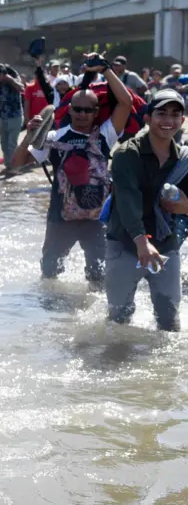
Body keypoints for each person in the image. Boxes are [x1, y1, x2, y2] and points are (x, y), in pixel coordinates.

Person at [25, 58, 131, 285]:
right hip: (60, 217)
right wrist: (30, 134)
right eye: (78, 109)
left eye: (88, 110)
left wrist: (106, 70)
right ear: (70, 110)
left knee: (98, 276)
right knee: (50, 274)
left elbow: (125, 102)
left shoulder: (105, 135)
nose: (82, 114)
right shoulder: (54, 137)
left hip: (96, 218)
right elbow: (18, 162)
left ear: (96, 112)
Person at [105, 88, 188, 331]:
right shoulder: (126, 154)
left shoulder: (184, 160)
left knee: (169, 323)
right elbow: (127, 201)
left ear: (182, 120)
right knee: (118, 322)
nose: (168, 120)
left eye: (175, 115)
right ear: (148, 118)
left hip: (166, 245)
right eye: (161, 113)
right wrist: (141, 241)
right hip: (125, 243)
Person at [0, 65, 25, 169]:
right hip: (4, 118)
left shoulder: (13, 82)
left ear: (4, 74)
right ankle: (8, 164)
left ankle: (14, 166)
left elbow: (22, 89)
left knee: (12, 143)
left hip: (16, 117)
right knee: (3, 143)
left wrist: (10, 79)